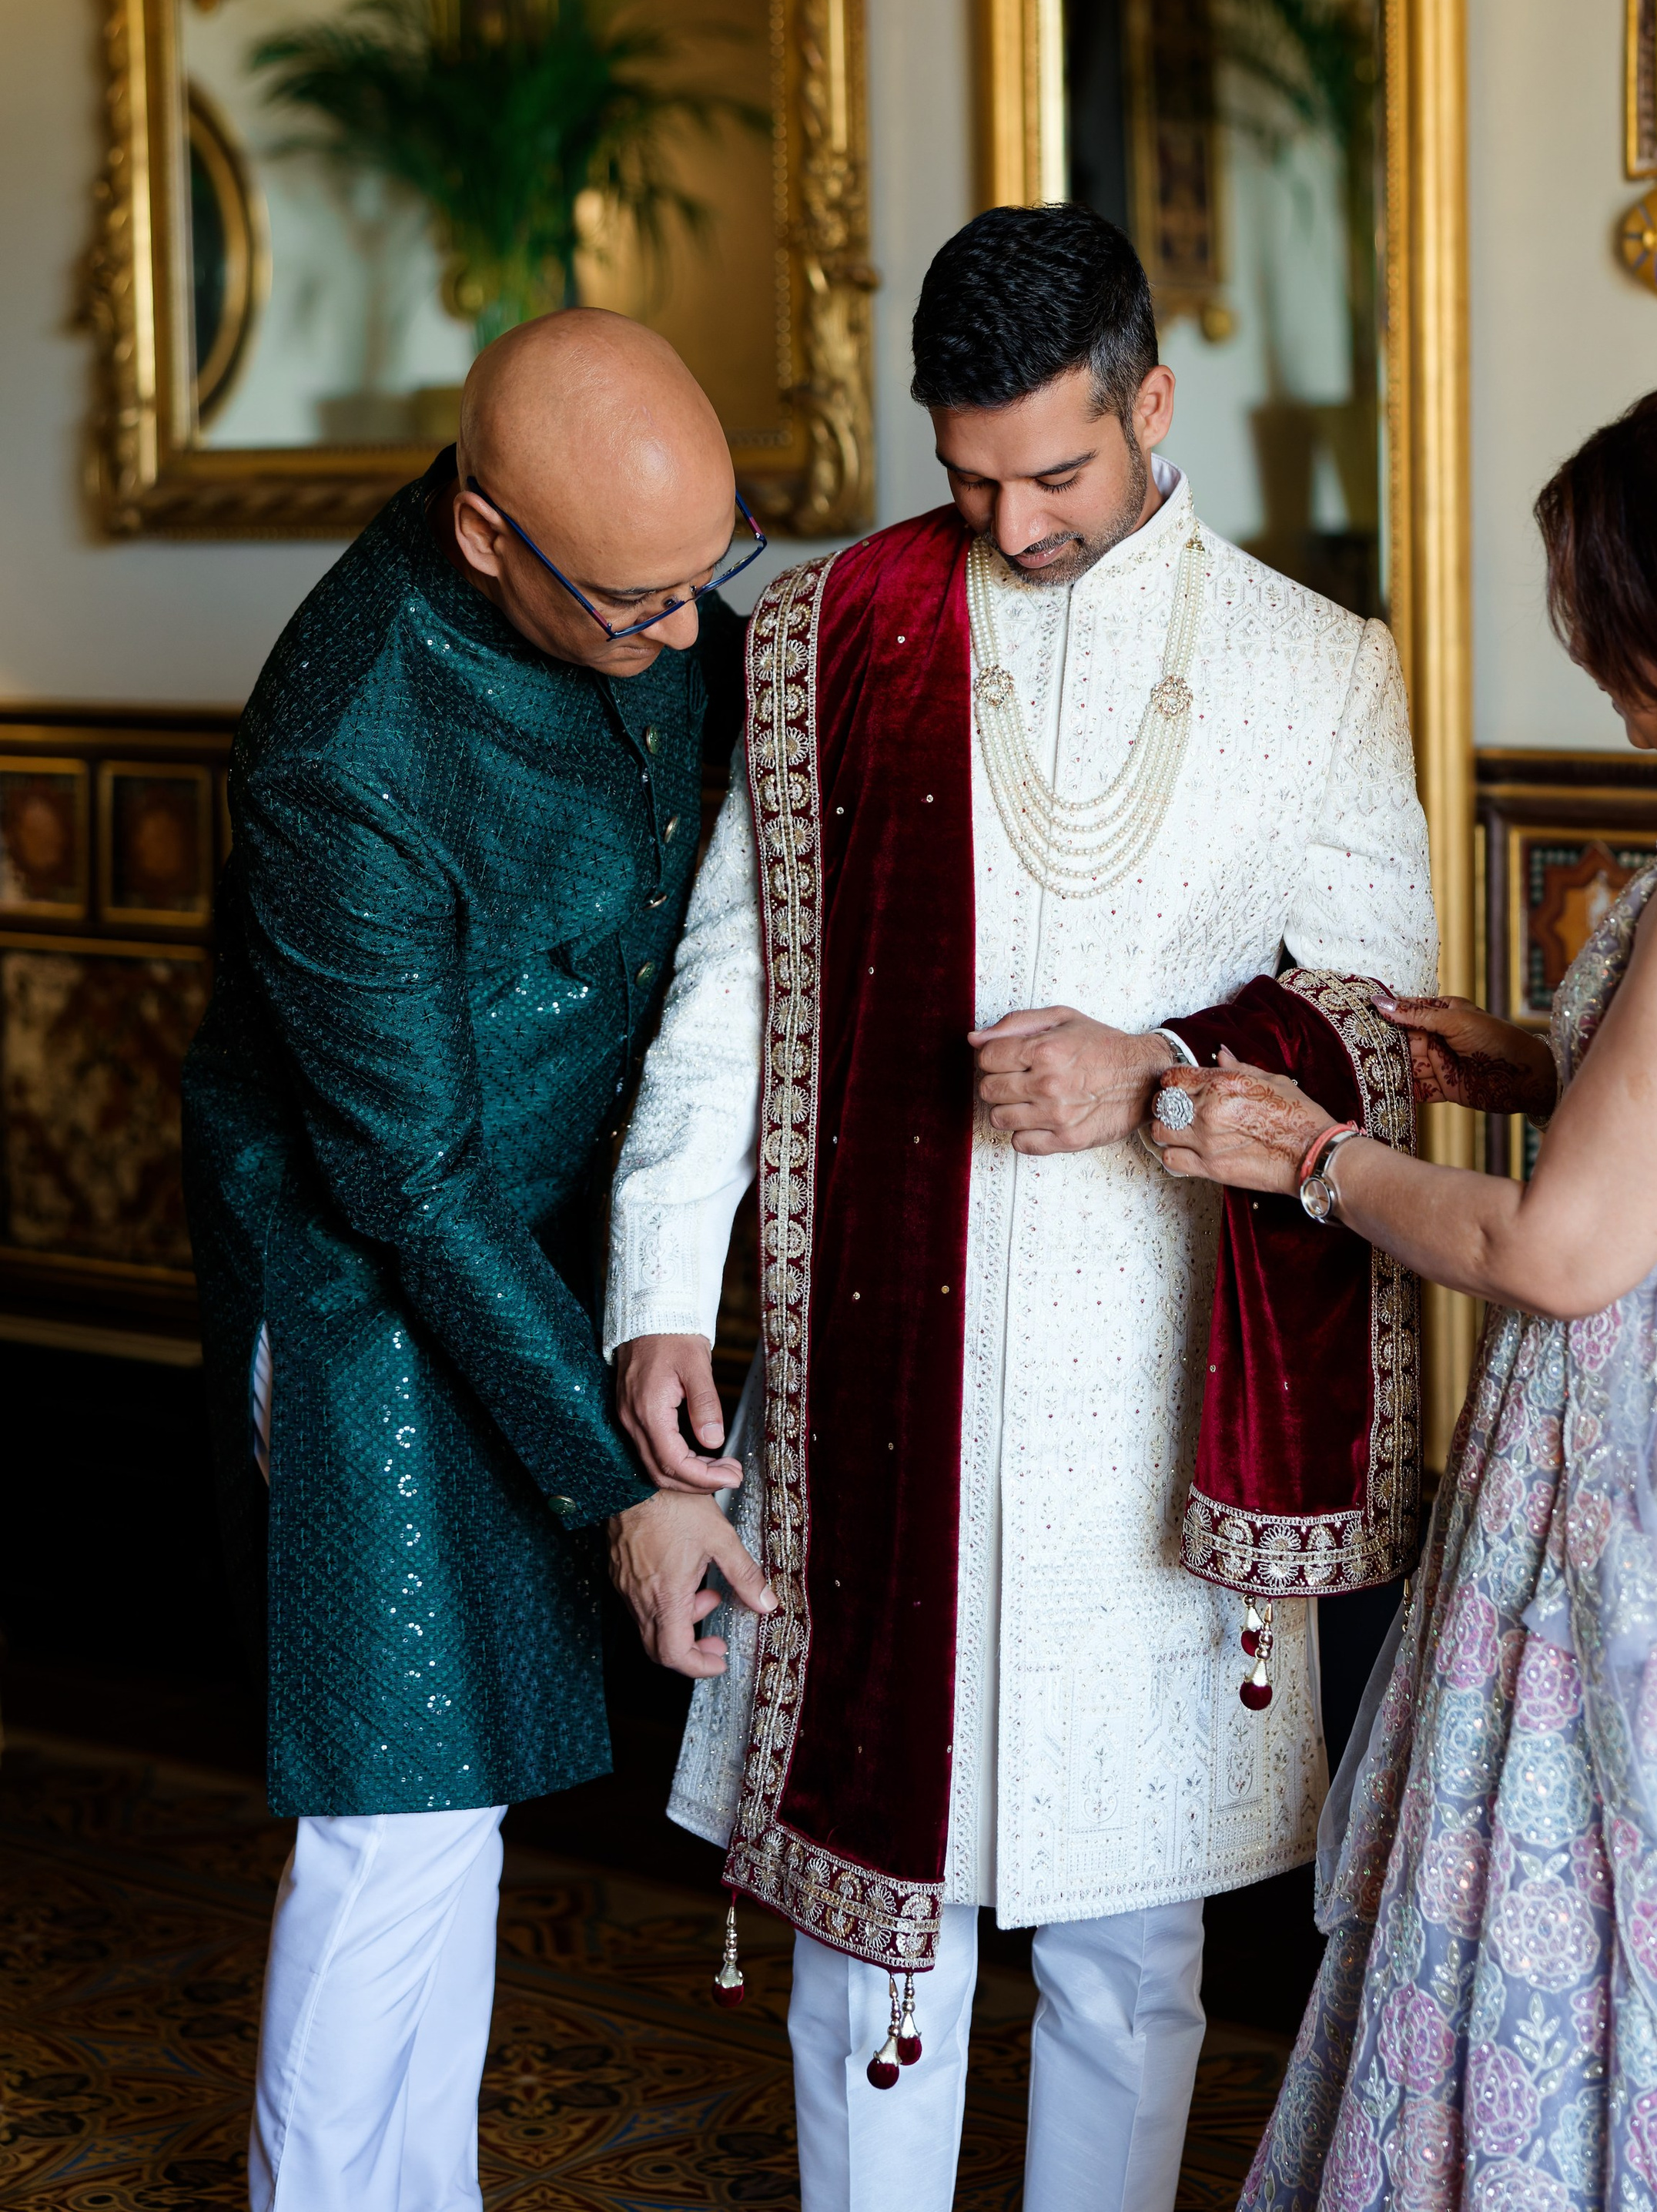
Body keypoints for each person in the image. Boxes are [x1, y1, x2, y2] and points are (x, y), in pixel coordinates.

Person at [602, 203, 1441, 2212]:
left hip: (1153, 1398)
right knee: (865, 1945)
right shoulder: (831, 638)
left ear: (1154, 406)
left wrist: (1154, 1070)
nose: (1012, 521)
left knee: (1128, 1951)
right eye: (966, 474)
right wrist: (659, 1297)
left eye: (1057, 470)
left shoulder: (1317, 673)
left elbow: (1380, 1038)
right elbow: (732, 988)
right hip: (873, 1383)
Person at [1151, 367, 1657, 2212]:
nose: (1591, 652)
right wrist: (1540, 1067)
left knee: (1644, 1932)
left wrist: (1296, 1149)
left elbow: (1560, 1253)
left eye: (1594, 608)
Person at [179, 310, 776, 2212]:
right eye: (632, 605)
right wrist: (616, 1484)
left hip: (552, 1250)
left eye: (712, 577)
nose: (688, 640)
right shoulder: (339, 743)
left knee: (467, 1808)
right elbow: (413, 1182)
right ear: (485, 533)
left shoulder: (657, 591)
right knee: (396, 1816)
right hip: (366, 1282)